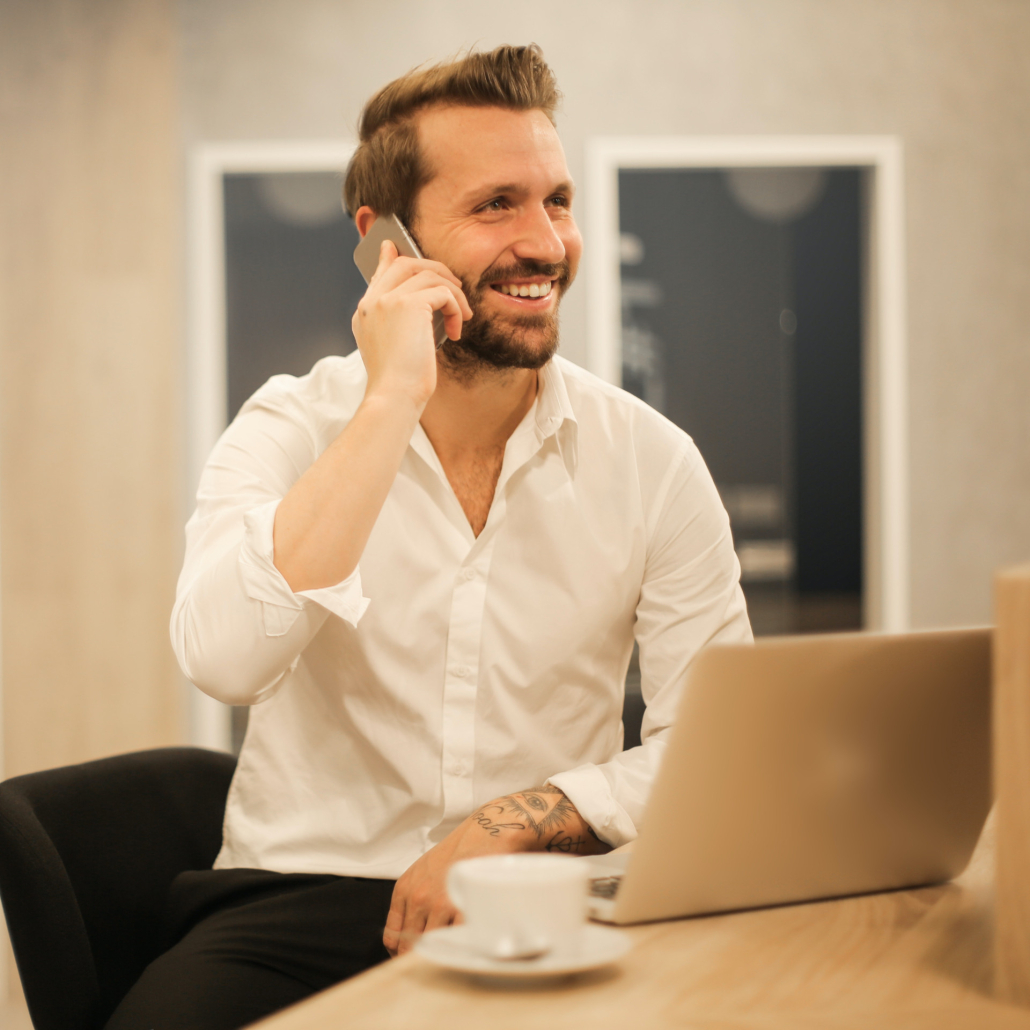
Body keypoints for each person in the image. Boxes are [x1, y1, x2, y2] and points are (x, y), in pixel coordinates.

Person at [105, 43, 751, 1030]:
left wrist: (509, 822)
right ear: (386, 241)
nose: (546, 242)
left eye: (557, 201)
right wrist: (390, 400)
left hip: (545, 894)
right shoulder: (290, 426)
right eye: (497, 205)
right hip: (298, 896)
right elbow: (226, 660)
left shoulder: (651, 461)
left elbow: (709, 744)